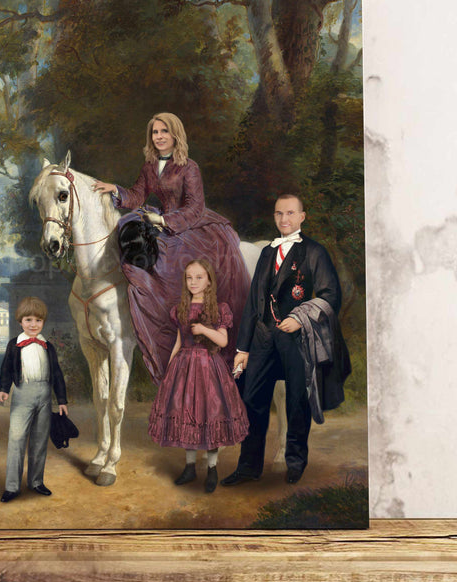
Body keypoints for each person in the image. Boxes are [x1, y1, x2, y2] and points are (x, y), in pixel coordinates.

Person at [93, 112, 251, 385]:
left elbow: (195, 208)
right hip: (161, 222)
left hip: (190, 225)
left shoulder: (189, 167)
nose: (159, 137)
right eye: (155, 132)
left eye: (164, 131)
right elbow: (138, 196)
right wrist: (115, 190)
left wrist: (165, 220)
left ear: (175, 134)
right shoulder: (149, 165)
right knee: (133, 241)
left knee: (178, 267)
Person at [221, 195, 351, 487]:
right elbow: (254, 303)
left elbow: (331, 296)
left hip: (297, 339)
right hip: (264, 338)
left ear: (302, 216)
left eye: (290, 213)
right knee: (252, 401)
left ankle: (295, 462)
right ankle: (248, 467)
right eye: (279, 214)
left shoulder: (315, 252)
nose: (284, 219)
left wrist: (301, 316)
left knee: (296, 401)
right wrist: (243, 348)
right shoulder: (268, 252)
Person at [148, 259, 249, 493]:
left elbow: (223, 341)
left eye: (199, 277)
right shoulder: (180, 308)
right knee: (186, 415)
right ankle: (190, 467)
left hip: (208, 367)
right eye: (189, 278)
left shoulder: (218, 309)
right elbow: (178, 342)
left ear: (209, 281)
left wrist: (204, 330)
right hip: (183, 367)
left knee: (210, 414)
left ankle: (212, 468)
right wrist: (169, 370)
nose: (193, 282)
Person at [0, 296, 69, 502]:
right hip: (22, 393)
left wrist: (61, 400)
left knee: (39, 440)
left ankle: (36, 481)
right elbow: (6, 369)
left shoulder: (48, 347)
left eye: (38, 320)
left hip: (45, 395)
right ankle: (12, 486)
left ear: (43, 322)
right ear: (20, 321)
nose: (33, 324)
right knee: (17, 438)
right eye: (28, 320)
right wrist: (3, 389)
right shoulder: (14, 345)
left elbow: (57, 375)